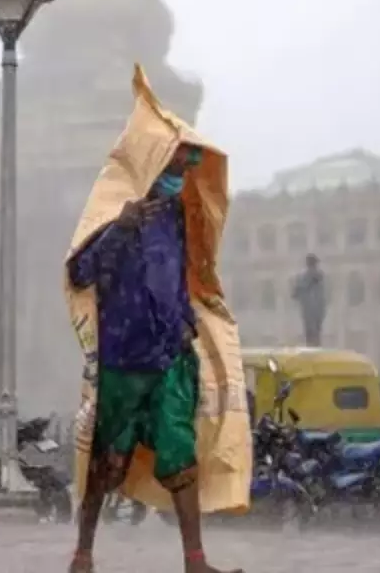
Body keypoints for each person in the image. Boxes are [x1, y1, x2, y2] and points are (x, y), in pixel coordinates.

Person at [66, 143, 240, 573]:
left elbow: (176, 275)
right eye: (179, 163)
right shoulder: (111, 213)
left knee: (180, 455)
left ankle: (195, 562)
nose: (183, 173)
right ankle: (83, 555)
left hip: (168, 358)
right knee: (108, 461)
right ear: (154, 163)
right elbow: (79, 272)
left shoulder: (175, 217)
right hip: (123, 361)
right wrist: (119, 229)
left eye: (188, 165)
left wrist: (184, 322)